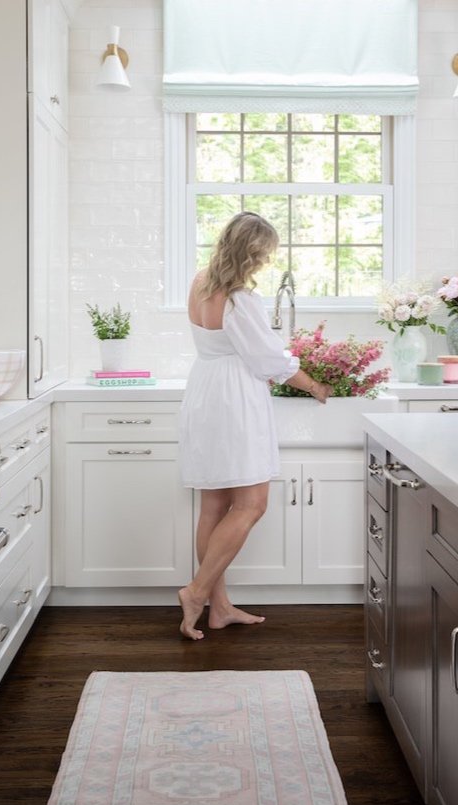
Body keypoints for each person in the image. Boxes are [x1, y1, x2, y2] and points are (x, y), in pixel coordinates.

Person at [177, 211, 333, 640]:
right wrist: (314, 386)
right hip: (234, 400)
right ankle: (196, 592)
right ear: (252, 253)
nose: (265, 262)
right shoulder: (240, 298)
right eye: (263, 255)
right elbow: (269, 361)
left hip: (205, 390)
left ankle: (219, 607)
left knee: (214, 506)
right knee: (251, 505)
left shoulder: (200, 281)